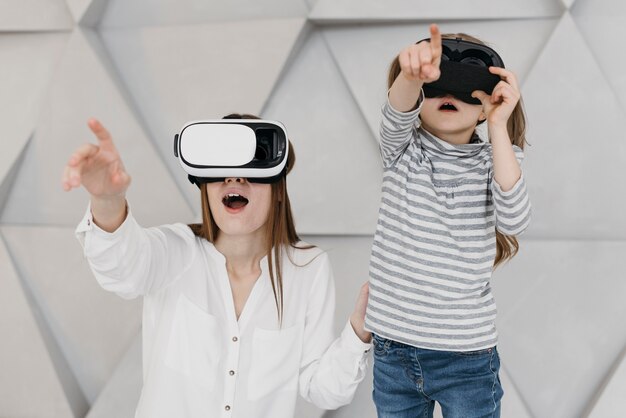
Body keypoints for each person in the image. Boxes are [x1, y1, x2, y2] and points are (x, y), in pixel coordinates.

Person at [62, 114, 372, 418]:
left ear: (278, 190)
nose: (234, 178)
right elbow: (122, 270)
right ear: (205, 186)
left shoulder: (308, 268)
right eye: (222, 166)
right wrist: (107, 199)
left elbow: (325, 389)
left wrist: (360, 330)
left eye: (252, 165)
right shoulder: (176, 251)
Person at [365, 24, 532, 417]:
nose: (447, 96)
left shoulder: (495, 161)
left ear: (484, 105)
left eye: (463, 91)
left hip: (466, 356)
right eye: (435, 87)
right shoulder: (402, 149)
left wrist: (498, 126)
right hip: (393, 350)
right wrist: (410, 76)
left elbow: (515, 219)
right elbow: (397, 111)